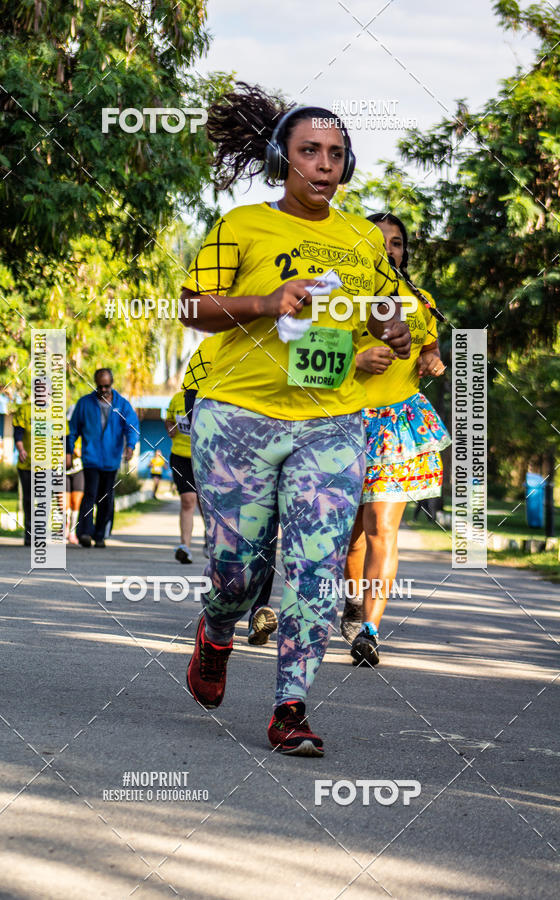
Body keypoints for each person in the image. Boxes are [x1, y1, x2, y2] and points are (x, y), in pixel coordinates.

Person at [178, 83, 411, 756]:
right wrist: (266, 301)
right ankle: (216, 633)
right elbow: (193, 307)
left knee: (317, 566)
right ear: (285, 158)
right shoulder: (241, 226)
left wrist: (394, 330)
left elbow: (387, 307)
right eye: (310, 151)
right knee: (239, 572)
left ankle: (290, 707)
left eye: (336, 153)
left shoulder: (363, 238)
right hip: (238, 416)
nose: (324, 164)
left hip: (330, 419)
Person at [342, 212, 451, 666]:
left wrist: (433, 360)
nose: (390, 249)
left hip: (395, 425)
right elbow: (307, 355)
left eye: (397, 242)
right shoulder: (339, 298)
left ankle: (369, 630)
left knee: (381, 528)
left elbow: (430, 348)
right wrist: (356, 361)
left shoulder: (418, 301)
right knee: (349, 536)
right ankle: (351, 603)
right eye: (379, 240)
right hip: (341, 421)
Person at [182, 333, 277, 642]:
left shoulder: (279, 342)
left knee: (265, 533)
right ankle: (220, 609)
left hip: (268, 452)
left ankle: (259, 612)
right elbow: (190, 399)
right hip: (223, 458)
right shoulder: (210, 347)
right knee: (227, 537)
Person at [67, 368, 139, 548]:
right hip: (91, 457)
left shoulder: (122, 405)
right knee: (90, 494)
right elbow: (73, 429)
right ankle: (84, 533)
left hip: (111, 459)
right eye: (100, 386)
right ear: (95, 384)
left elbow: (132, 427)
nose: (104, 390)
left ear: (111, 384)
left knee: (106, 497)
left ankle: (100, 535)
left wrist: (130, 446)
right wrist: (68, 451)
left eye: (107, 386)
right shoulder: (84, 404)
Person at [166, 388, 198, 563]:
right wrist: (170, 428)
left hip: (203, 457)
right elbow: (169, 420)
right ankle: (185, 547)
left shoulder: (207, 398)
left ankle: (211, 543)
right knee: (188, 500)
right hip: (180, 457)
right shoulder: (177, 399)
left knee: (205, 504)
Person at [13, 401, 33, 546]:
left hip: (48, 465)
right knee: (28, 500)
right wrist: (21, 449)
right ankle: (29, 534)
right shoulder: (25, 410)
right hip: (27, 464)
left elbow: (62, 437)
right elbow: (18, 433)